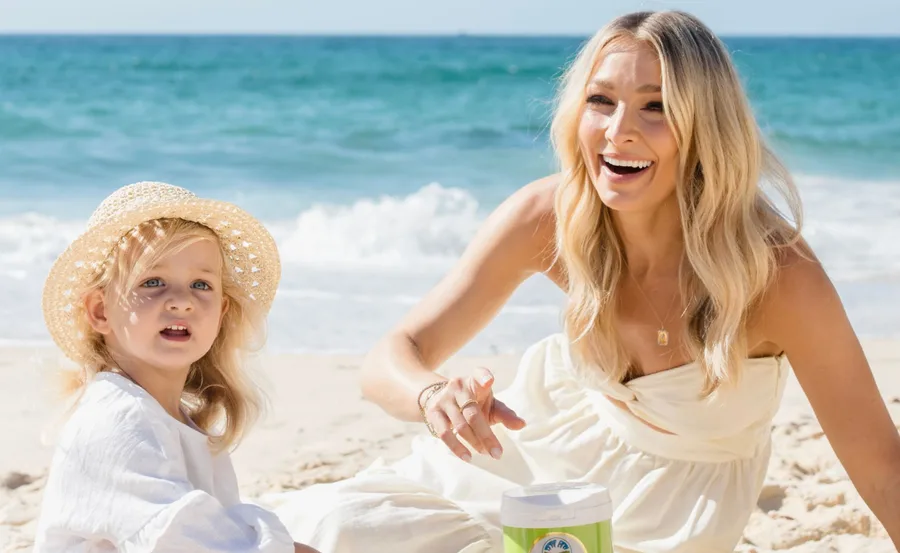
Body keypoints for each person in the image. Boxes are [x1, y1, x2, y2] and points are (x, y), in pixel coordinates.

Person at [264, 10, 900, 553]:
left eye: (657, 107)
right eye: (601, 100)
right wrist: (436, 398)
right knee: (325, 526)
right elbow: (389, 359)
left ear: (705, 127)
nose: (618, 129)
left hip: (666, 525)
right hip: (527, 478)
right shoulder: (550, 217)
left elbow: (882, 467)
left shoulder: (774, 273)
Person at [33, 182, 320, 553]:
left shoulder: (168, 416)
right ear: (100, 311)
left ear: (221, 312)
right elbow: (189, 540)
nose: (182, 301)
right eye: (153, 282)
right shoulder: (117, 421)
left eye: (201, 284)